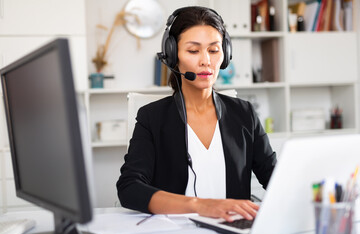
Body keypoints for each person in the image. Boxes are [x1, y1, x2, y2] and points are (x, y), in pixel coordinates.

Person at [116, 6, 277, 222]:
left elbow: (276, 179)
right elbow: (129, 188)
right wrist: (201, 205)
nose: (206, 61)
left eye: (213, 50)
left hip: (231, 232)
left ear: (225, 54)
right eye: (193, 51)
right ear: (173, 56)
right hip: (174, 233)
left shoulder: (244, 113)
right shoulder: (151, 118)